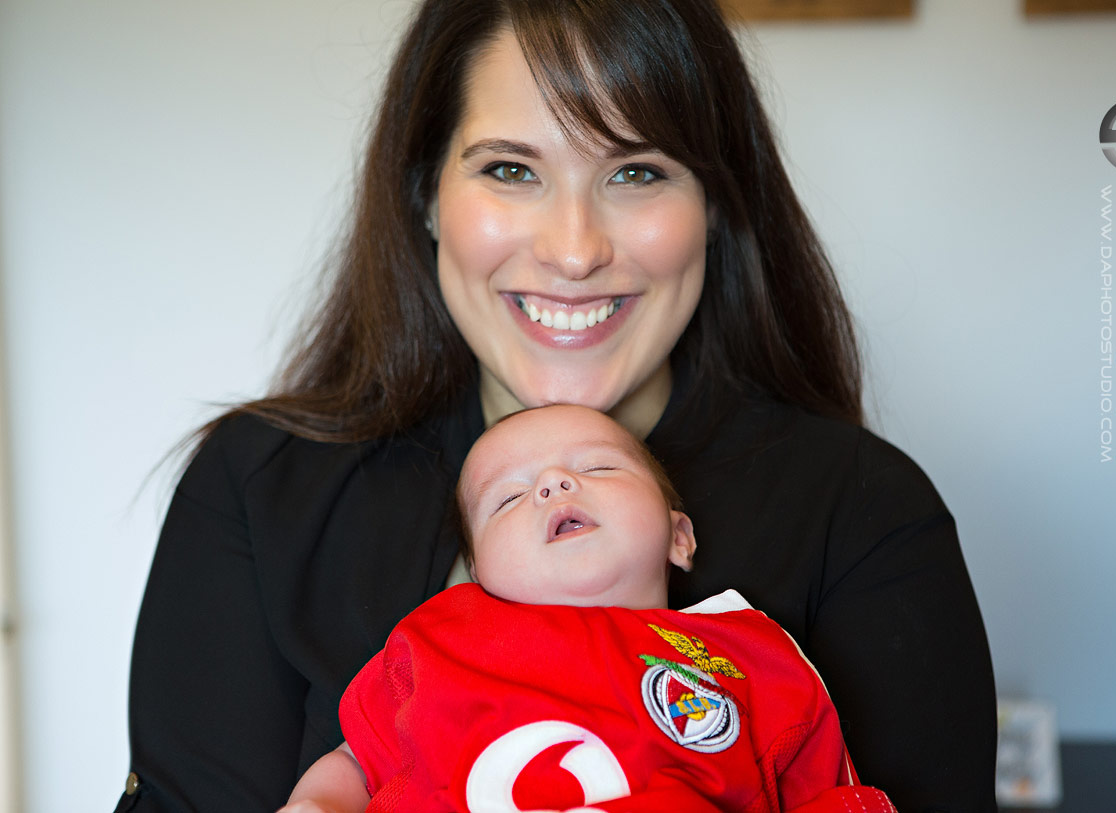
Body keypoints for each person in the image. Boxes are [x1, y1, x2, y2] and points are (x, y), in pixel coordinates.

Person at [117, 1, 998, 811]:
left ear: (717, 204)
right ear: (426, 193)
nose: (574, 252)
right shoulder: (258, 487)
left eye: (637, 172)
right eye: (510, 169)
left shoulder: (864, 510)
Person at [279, 404, 897, 813]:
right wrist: (315, 806)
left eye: (598, 466)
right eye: (510, 498)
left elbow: (830, 793)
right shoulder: (438, 637)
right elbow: (359, 757)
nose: (552, 484)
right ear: (480, 574)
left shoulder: (750, 654)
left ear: (678, 537)